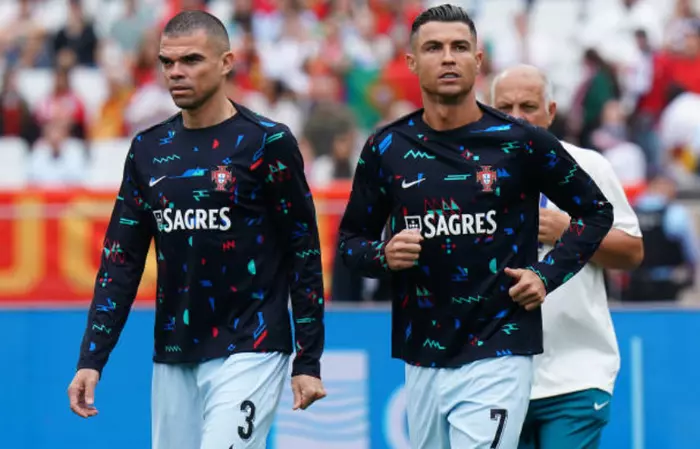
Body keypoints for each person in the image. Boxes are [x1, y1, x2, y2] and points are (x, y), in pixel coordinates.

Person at [337, 4, 614, 448]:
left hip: (499, 347)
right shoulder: (387, 147)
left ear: (478, 60)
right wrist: (382, 255)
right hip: (422, 354)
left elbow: (596, 211)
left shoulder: (521, 141)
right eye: (434, 47)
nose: (448, 57)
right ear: (412, 62)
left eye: (459, 47)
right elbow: (351, 242)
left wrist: (547, 275)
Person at [66, 10, 326, 449]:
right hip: (175, 351)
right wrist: (92, 357)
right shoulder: (147, 149)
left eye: (190, 60)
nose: (176, 72)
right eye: (167, 62)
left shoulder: (267, 142)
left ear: (226, 63)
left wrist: (308, 360)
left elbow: (304, 250)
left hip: (253, 344)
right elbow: (121, 261)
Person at [490, 64, 644, 449]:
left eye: (528, 106)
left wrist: (569, 231)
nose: (517, 117)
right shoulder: (472, 175)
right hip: (496, 374)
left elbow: (631, 251)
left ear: (551, 111)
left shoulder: (589, 166)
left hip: (575, 373)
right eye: (505, 107)